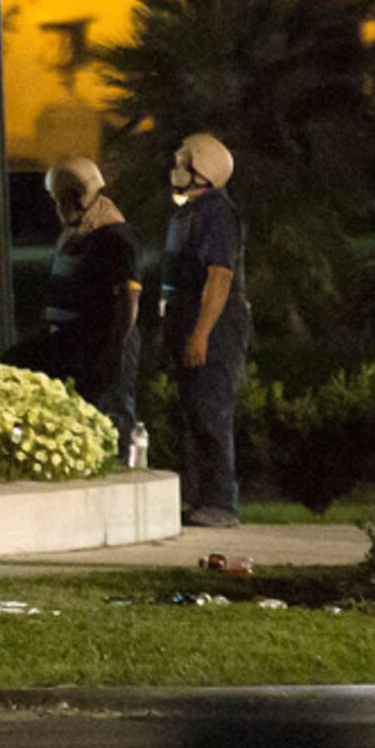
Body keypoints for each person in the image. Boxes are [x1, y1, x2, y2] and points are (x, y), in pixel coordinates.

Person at [159, 130, 248, 526]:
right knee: (194, 411)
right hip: (185, 318)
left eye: (183, 162)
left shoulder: (216, 212)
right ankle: (201, 498)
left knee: (211, 409)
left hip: (211, 322)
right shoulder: (188, 212)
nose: (175, 170)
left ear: (203, 170)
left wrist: (201, 332)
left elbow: (219, 276)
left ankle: (220, 503)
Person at [34, 156, 142, 444]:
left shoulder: (114, 236)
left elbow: (127, 299)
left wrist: (114, 352)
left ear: (81, 197)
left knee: (109, 421)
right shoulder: (77, 236)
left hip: (102, 344)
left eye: (64, 199)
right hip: (72, 343)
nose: (59, 207)